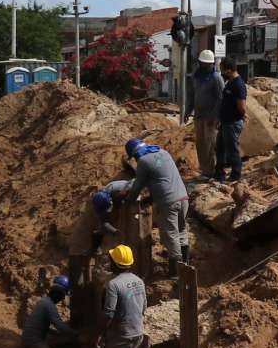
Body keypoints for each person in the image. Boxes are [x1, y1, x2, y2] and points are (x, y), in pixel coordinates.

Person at [109, 136, 190, 276]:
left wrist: (128, 201)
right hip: (183, 197)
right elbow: (163, 179)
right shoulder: (163, 152)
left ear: (134, 154)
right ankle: (186, 266)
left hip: (168, 202)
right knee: (181, 231)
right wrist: (151, 198)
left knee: (171, 235)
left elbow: (137, 186)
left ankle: (177, 273)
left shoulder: (144, 161)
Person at [95, 244, 147, 348]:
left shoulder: (113, 284)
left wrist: (100, 333)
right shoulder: (139, 281)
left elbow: (108, 313)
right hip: (138, 334)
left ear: (115, 263)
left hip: (122, 336)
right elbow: (143, 308)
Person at [23, 275, 79, 348]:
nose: (62, 299)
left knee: (59, 341)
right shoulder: (49, 306)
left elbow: (43, 325)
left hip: (33, 336)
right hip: (34, 340)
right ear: (58, 292)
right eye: (63, 295)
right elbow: (60, 326)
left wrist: (56, 333)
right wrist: (76, 334)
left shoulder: (44, 301)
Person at [64, 188, 119, 290]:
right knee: (78, 284)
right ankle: (80, 296)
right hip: (78, 247)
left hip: (87, 242)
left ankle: (86, 290)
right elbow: (104, 225)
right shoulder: (96, 212)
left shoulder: (97, 202)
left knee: (86, 279)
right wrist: (115, 232)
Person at [187, 49, 223, 181]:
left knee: (210, 145)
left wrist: (215, 117)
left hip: (210, 118)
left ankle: (211, 172)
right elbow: (192, 95)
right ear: (200, 63)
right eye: (204, 63)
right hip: (198, 116)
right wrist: (187, 111)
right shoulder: (196, 77)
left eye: (209, 64)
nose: (207, 66)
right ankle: (204, 170)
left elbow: (220, 99)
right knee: (200, 144)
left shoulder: (216, 78)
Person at [216, 59, 249, 183]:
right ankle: (219, 173)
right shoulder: (230, 82)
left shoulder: (238, 84)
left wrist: (244, 115)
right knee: (220, 148)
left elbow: (241, 105)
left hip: (232, 122)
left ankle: (235, 175)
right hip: (225, 122)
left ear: (228, 69)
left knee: (232, 150)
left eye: (222, 69)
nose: (221, 72)